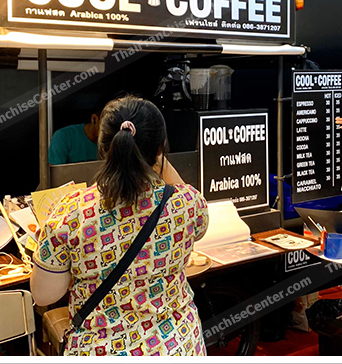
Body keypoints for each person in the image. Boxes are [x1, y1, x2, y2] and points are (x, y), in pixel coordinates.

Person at [31, 95, 209, 356]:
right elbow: (194, 215)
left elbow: (44, 295)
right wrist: (156, 156)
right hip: (179, 346)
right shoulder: (187, 203)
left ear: (103, 147)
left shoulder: (71, 212)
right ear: (160, 148)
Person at [48, 99, 105, 165]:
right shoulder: (63, 137)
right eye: (106, 124)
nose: (109, 130)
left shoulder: (112, 140)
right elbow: (55, 170)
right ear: (94, 119)